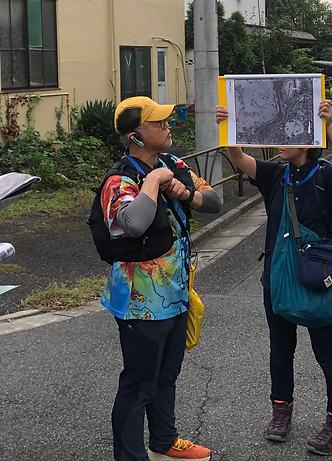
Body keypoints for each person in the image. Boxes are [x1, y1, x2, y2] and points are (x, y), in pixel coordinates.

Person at [215, 99, 332, 455]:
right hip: (276, 277)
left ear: (308, 141)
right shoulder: (275, 174)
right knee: (281, 350)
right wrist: (229, 128)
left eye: (289, 135)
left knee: (328, 353)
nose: (280, 140)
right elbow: (239, 159)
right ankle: (281, 411)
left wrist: (328, 125)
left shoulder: (324, 175)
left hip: (314, 277)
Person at [99, 97, 221, 461]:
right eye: (159, 122)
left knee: (167, 374)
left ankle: (164, 441)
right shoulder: (119, 180)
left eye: (167, 120)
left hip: (176, 293)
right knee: (138, 384)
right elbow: (132, 224)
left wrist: (187, 193)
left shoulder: (174, 164)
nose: (168, 125)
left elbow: (215, 200)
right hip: (140, 302)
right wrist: (152, 180)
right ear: (135, 136)